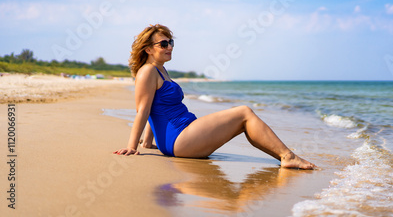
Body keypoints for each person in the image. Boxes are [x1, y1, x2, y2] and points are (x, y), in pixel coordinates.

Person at [114, 24, 316, 170]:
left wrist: (148, 143)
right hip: (180, 139)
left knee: (242, 122)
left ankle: (284, 158)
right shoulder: (148, 71)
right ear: (148, 49)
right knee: (244, 113)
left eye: (171, 42)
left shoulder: (160, 70)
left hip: (182, 136)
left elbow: (155, 108)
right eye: (163, 43)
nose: (170, 47)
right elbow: (143, 110)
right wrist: (132, 147)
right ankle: (288, 156)